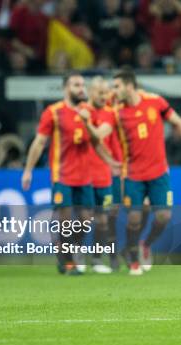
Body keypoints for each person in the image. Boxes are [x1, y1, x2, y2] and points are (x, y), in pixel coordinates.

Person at [21, 72, 118, 275]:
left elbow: (95, 142)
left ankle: (68, 252)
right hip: (62, 175)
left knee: (84, 221)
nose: (81, 88)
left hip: (85, 177)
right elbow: (39, 142)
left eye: (82, 85)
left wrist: (109, 161)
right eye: (76, 85)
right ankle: (68, 260)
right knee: (64, 221)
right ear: (66, 88)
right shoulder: (54, 112)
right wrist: (28, 170)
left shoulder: (86, 112)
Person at [110, 69, 181, 275]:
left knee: (162, 216)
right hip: (132, 173)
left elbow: (178, 122)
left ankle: (145, 245)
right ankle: (132, 256)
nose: (113, 91)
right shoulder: (117, 112)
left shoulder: (155, 102)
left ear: (129, 85)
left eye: (116, 86)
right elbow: (106, 135)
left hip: (159, 172)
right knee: (134, 218)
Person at [77, 76, 123, 273]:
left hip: (104, 177)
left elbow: (102, 136)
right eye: (100, 92)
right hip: (84, 176)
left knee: (103, 220)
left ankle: (96, 259)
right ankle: (75, 253)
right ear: (90, 92)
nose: (104, 96)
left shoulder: (109, 114)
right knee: (84, 219)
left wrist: (117, 164)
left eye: (106, 92)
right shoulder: (80, 110)